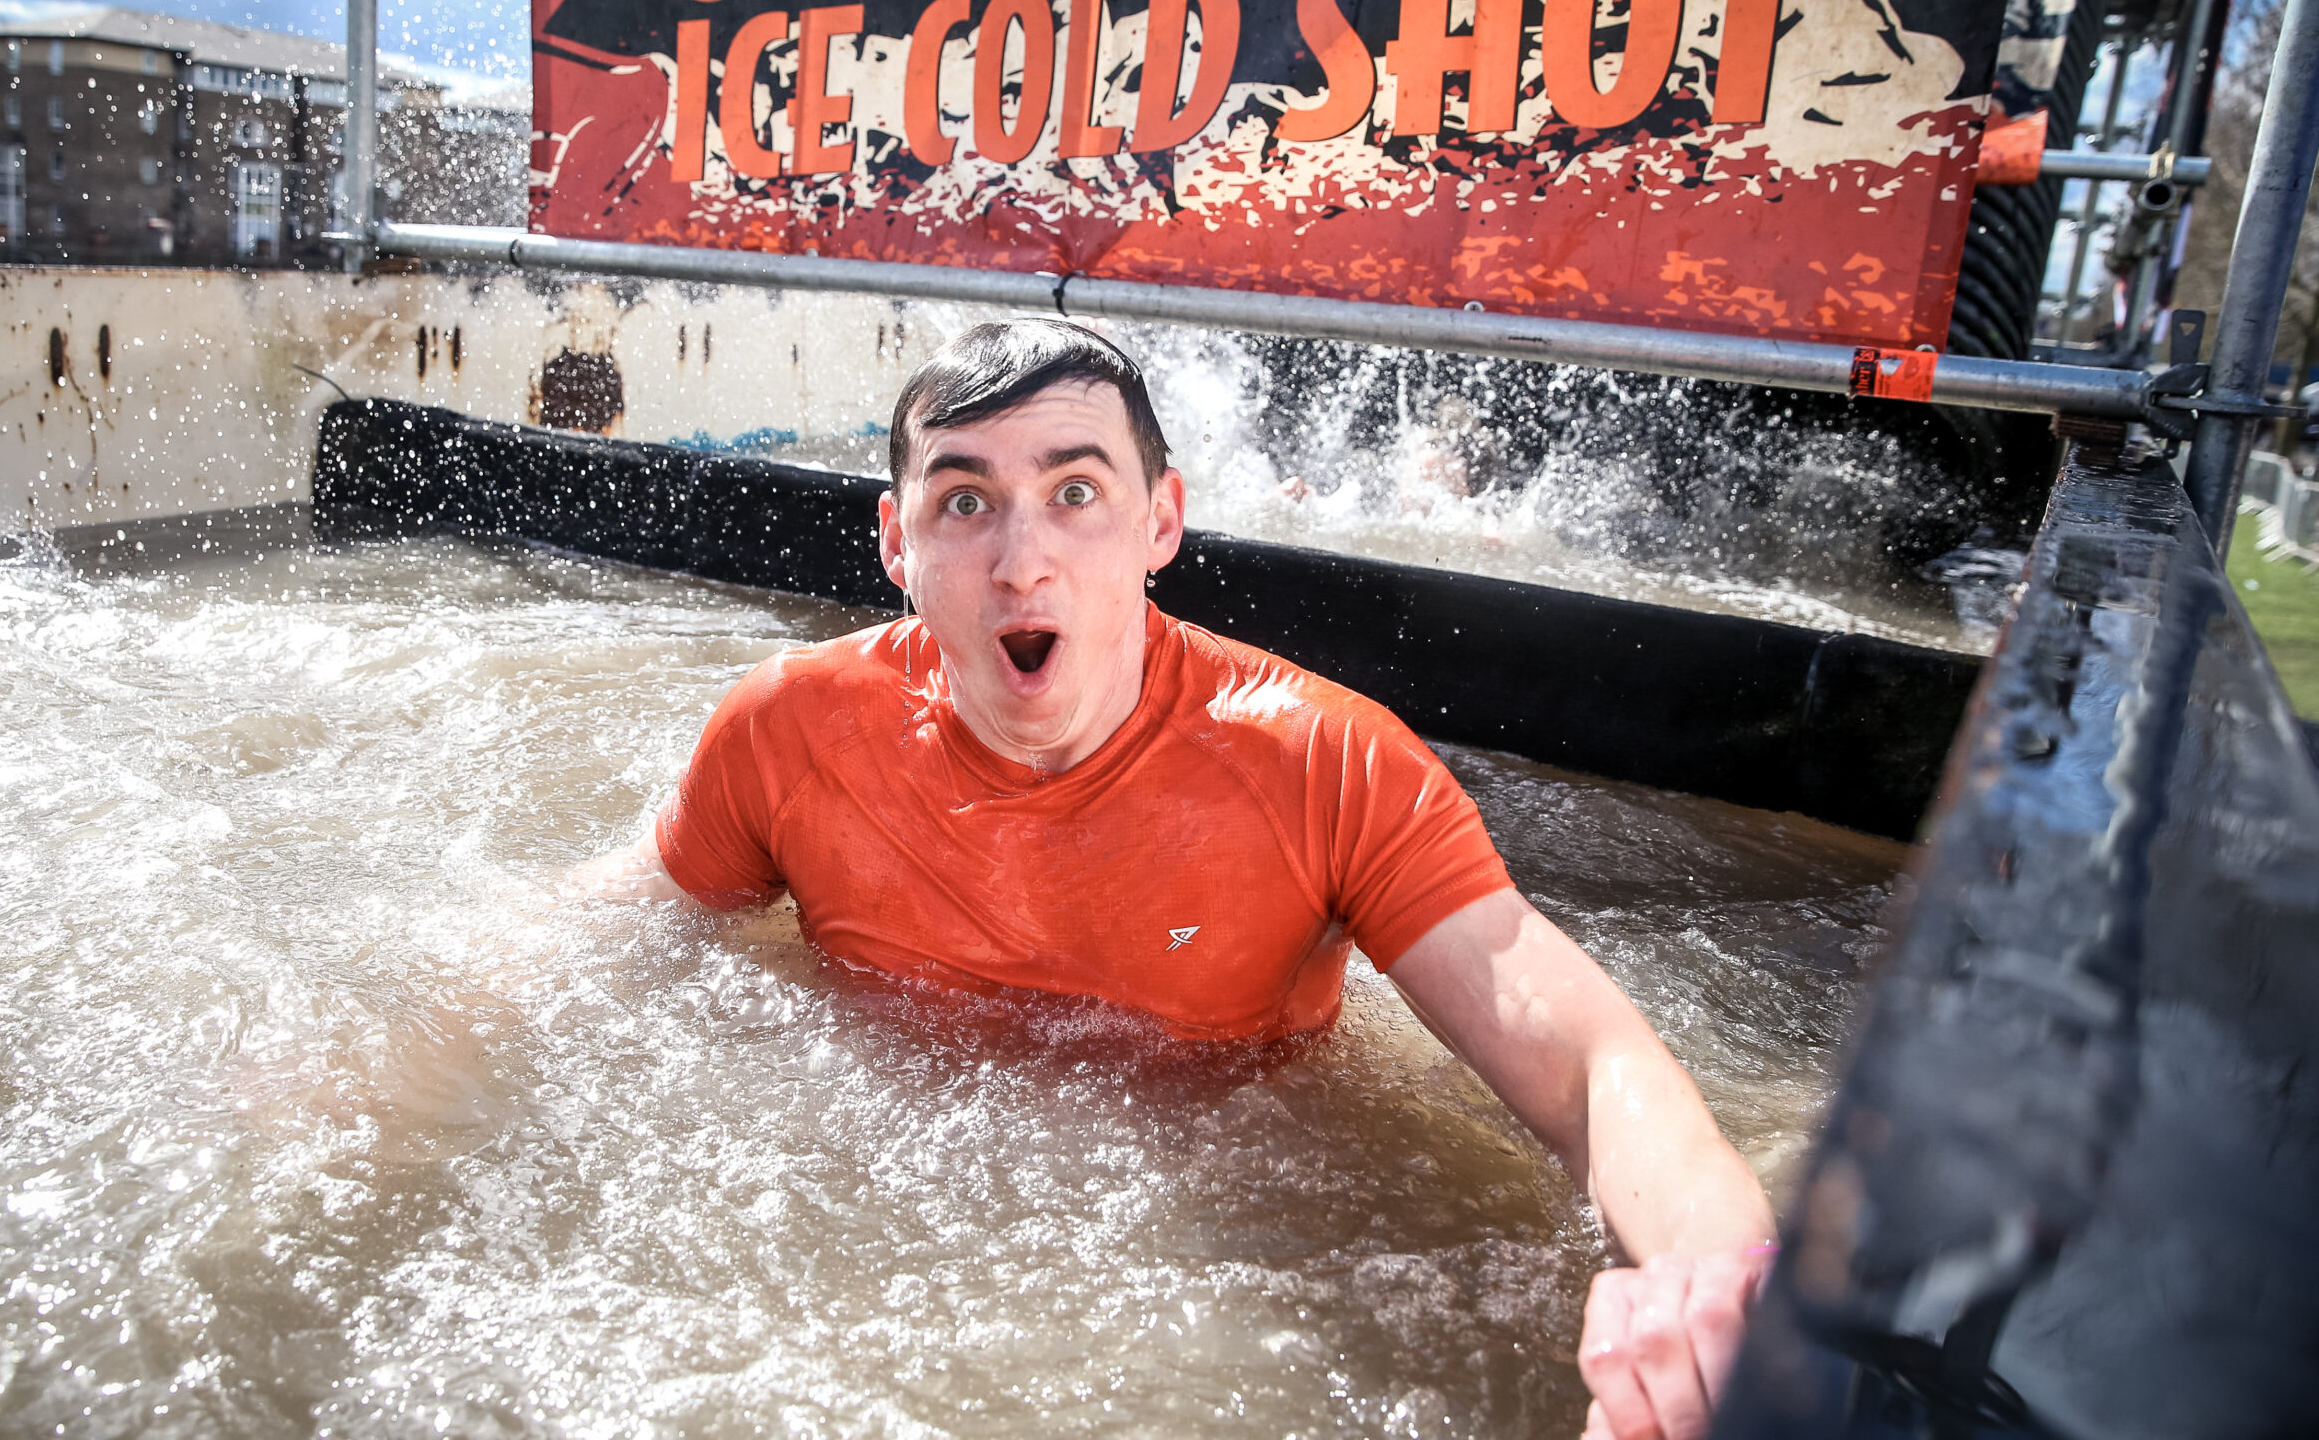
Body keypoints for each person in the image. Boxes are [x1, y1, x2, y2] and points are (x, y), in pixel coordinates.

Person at [570, 318, 1776, 1440]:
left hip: (1235, 1218)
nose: (1018, 561)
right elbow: (604, 929)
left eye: (1075, 493)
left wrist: (1704, 1276)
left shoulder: (1323, 762)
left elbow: (1587, 1062)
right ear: (897, 541)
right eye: (963, 502)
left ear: (1161, 521)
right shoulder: (792, 729)